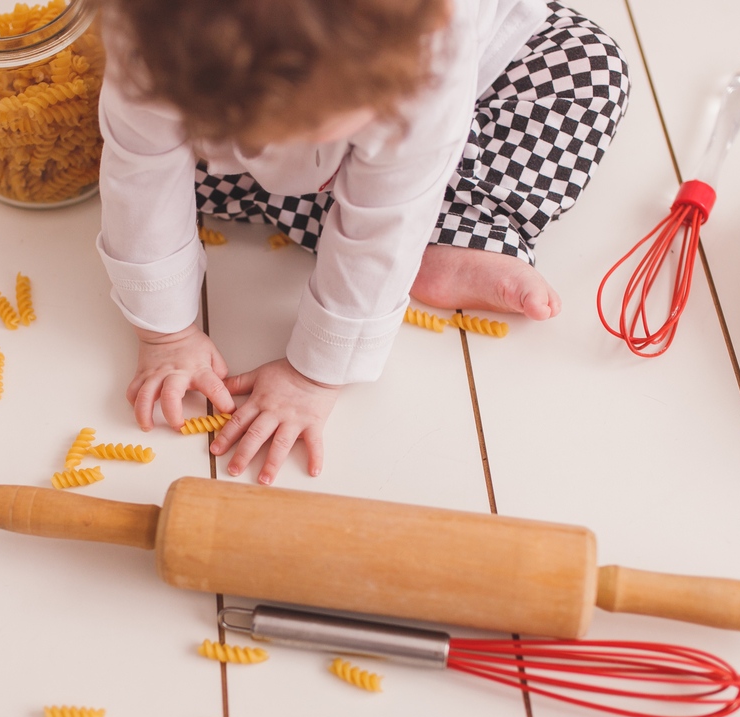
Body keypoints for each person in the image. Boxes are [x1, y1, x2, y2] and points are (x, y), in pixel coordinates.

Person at [96, 0, 629, 484]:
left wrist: (313, 375)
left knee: (591, 69)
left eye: (310, 125)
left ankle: (464, 228)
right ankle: (420, 227)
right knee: (157, 170)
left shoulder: (430, 49)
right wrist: (165, 332)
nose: (290, 139)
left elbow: (390, 216)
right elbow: (141, 169)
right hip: (230, 125)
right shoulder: (150, 37)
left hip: (454, 100)